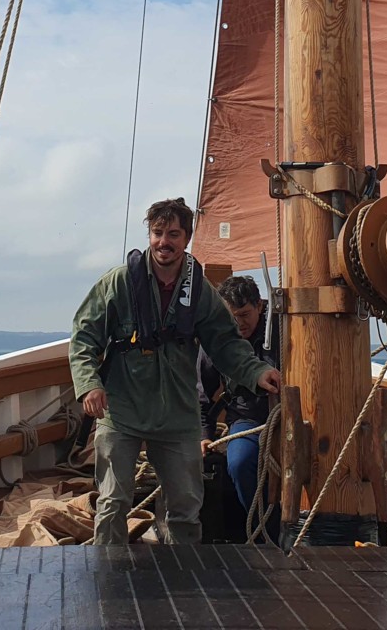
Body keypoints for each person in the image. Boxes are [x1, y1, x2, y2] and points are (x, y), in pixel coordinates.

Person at [69, 197, 282, 546]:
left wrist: (256, 372)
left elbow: (225, 343)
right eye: (157, 233)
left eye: (173, 233)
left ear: (187, 238)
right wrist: (89, 384)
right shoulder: (119, 282)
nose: (163, 242)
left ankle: (181, 583)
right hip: (122, 410)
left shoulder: (199, 291)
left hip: (177, 415)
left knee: (185, 509)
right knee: (112, 504)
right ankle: (107, 583)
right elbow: (84, 335)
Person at [199, 275, 278, 535]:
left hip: (294, 417)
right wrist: (204, 435)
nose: (239, 323)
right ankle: (264, 533)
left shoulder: (284, 327)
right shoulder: (219, 337)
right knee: (240, 462)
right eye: (232, 316)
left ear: (260, 306)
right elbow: (203, 391)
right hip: (248, 420)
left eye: (245, 314)